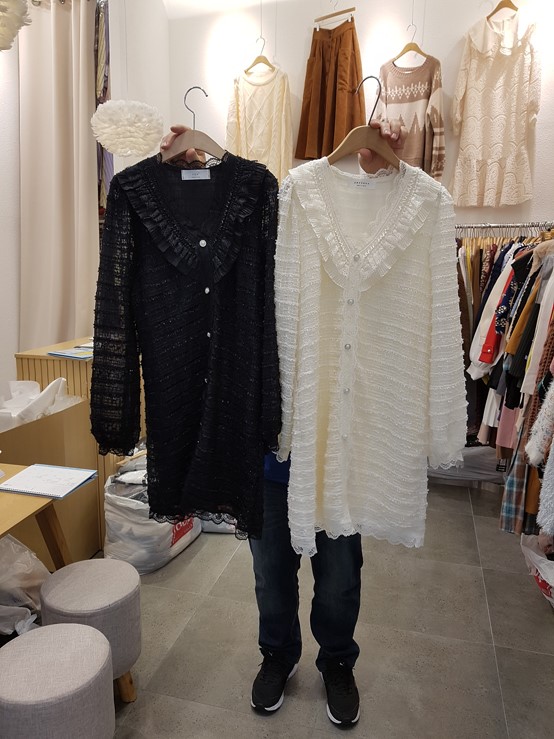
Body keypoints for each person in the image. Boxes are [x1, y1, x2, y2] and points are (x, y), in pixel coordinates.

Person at [160, 119, 407, 727]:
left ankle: (337, 660)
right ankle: (277, 655)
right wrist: (186, 177)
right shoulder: (263, 219)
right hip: (268, 444)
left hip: (335, 443)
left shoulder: (324, 223)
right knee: (270, 572)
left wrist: (377, 173)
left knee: (340, 571)